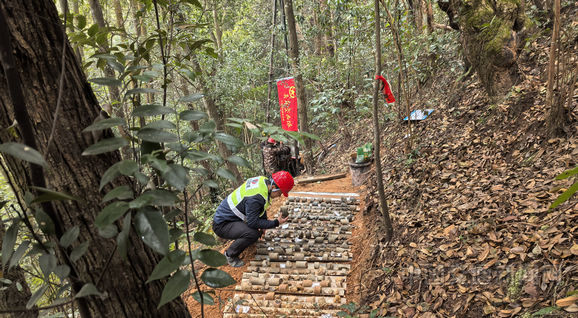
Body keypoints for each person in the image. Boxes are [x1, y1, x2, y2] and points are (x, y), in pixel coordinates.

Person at [212, 171, 295, 267]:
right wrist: (275, 222)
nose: (279, 196)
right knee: (252, 233)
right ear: (273, 187)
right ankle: (229, 255)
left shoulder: (263, 182)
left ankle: (244, 240)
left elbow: (260, 208)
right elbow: (253, 222)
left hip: (232, 217)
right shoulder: (256, 198)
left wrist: (264, 223)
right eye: (280, 192)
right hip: (222, 224)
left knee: (257, 228)